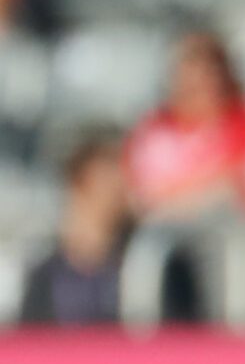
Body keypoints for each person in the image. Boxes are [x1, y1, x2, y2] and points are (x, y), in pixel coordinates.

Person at [20, 134, 203, 327]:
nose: (119, 190)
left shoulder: (155, 264)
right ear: (78, 186)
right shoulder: (46, 275)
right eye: (105, 181)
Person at [124, 32, 245, 220]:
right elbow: (139, 197)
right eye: (193, 84)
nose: (204, 91)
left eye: (210, 78)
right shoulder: (154, 132)